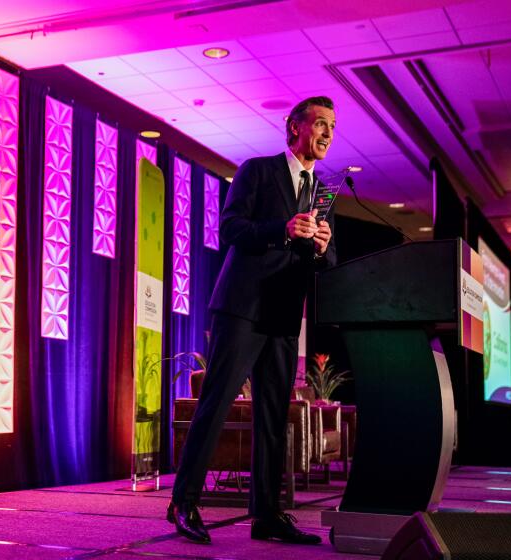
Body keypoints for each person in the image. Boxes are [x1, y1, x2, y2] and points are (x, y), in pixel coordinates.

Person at [167, 96, 337, 544]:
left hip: (284, 316)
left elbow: (327, 259)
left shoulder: (323, 192)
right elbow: (231, 229)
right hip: (243, 308)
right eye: (320, 124)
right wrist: (281, 229)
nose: (328, 134)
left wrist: (321, 246)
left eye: (332, 127)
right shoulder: (258, 170)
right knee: (217, 405)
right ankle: (183, 503)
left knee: (272, 416)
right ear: (295, 126)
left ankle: (267, 514)